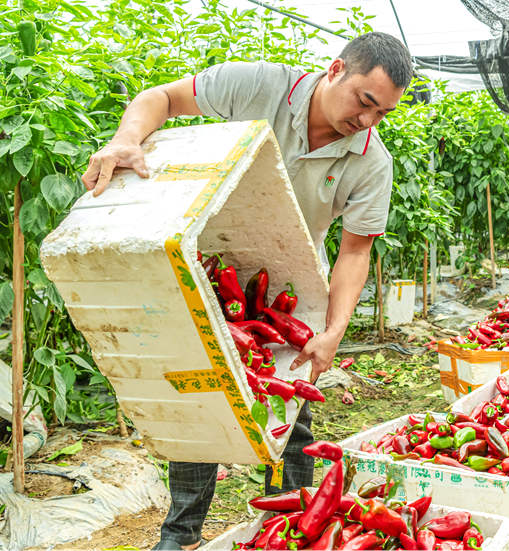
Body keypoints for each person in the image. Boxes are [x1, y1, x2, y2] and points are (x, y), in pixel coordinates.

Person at [81, 32, 413, 550]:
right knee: (202, 398)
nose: (367, 120)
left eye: (382, 113)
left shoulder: (372, 161)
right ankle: (180, 535)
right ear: (335, 70)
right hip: (212, 269)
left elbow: (355, 252)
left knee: (290, 411)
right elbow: (162, 99)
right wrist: (128, 138)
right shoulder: (261, 85)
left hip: (293, 289)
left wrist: (333, 330)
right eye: (364, 102)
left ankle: (292, 530)